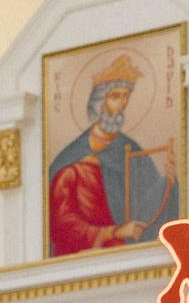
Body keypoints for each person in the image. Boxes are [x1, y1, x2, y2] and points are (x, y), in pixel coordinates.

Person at [47, 52, 178, 254]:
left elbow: (148, 206)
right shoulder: (70, 159)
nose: (122, 105)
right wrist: (114, 232)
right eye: (115, 96)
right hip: (87, 257)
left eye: (126, 97)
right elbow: (62, 226)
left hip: (127, 255)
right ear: (98, 103)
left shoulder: (131, 150)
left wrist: (168, 183)